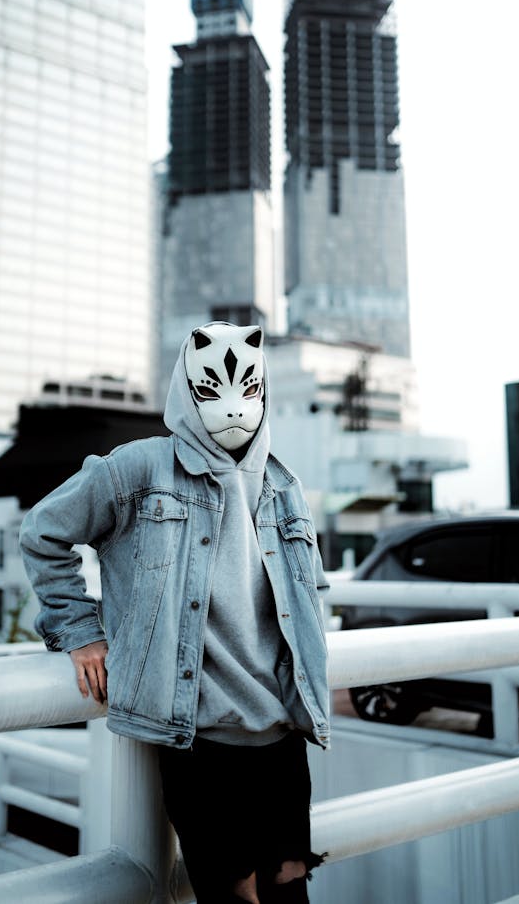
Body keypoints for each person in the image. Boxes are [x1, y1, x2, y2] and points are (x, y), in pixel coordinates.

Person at [20, 322, 330, 902]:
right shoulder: (139, 468)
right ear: (187, 390)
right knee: (235, 897)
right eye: (212, 389)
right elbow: (42, 532)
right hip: (200, 742)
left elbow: (309, 593)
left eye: (248, 388)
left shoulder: (286, 486)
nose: (234, 407)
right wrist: (81, 631)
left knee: (291, 892)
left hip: (284, 736)